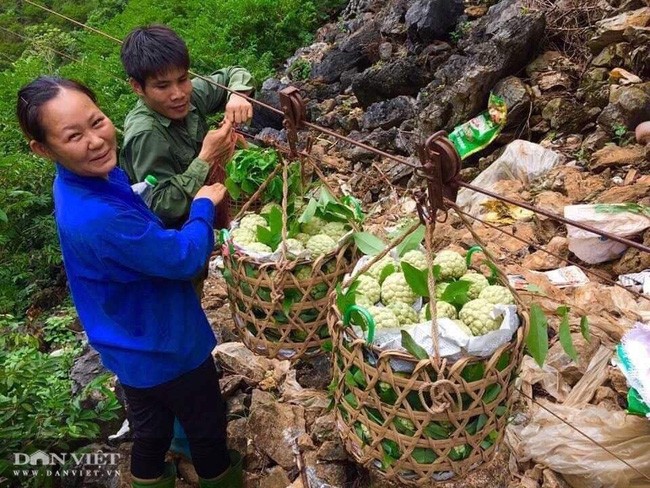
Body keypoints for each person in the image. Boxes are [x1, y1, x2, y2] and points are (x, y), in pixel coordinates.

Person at [16, 76, 242, 488]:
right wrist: (203, 207)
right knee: (207, 425)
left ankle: (148, 478)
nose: (96, 140)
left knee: (150, 428)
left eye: (97, 121)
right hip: (168, 344)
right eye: (73, 135)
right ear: (42, 149)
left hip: (126, 343)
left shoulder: (79, 183)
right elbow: (183, 258)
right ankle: (219, 476)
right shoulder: (99, 217)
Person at [119, 24, 254, 231]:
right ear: (137, 87)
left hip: (212, 198)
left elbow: (233, 73)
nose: (178, 94)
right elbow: (160, 205)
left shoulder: (190, 95)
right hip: (182, 230)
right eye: (162, 86)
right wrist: (207, 157)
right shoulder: (146, 134)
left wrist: (237, 95)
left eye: (183, 79)